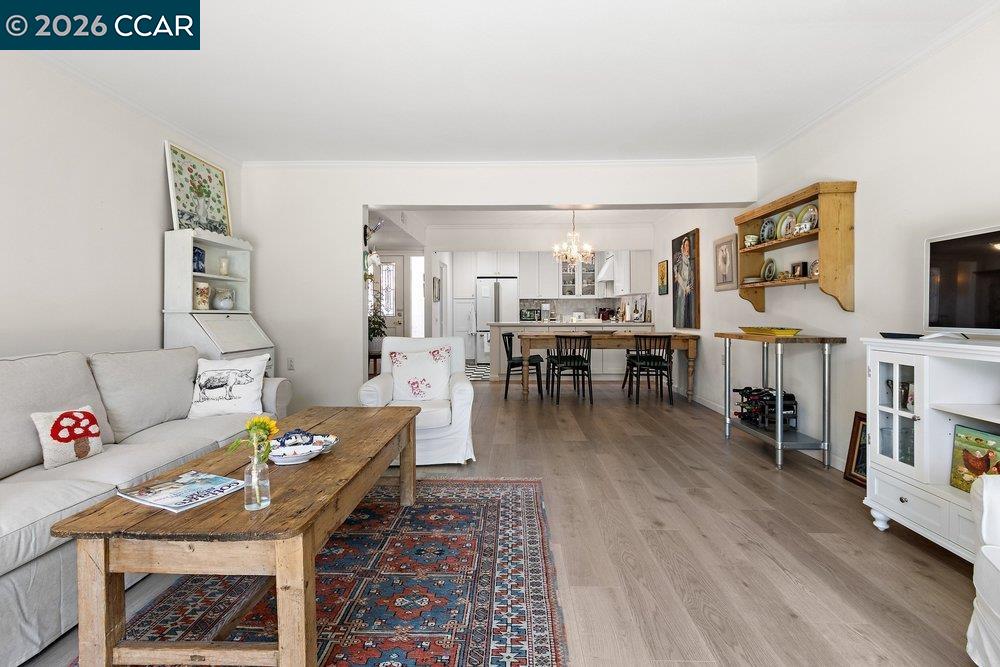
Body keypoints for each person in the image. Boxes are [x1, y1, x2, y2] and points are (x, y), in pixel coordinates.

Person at [673, 235, 694, 327]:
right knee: (681, 309)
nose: (687, 248)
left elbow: (691, 276)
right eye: (686, 245)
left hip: (687, 287)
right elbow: (677, 274)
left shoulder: (690, 260)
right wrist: (684, 286)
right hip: (681, 288)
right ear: (683, 246)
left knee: (687, 309)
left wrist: (689, 286)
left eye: (688, 245)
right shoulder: (679, 258)